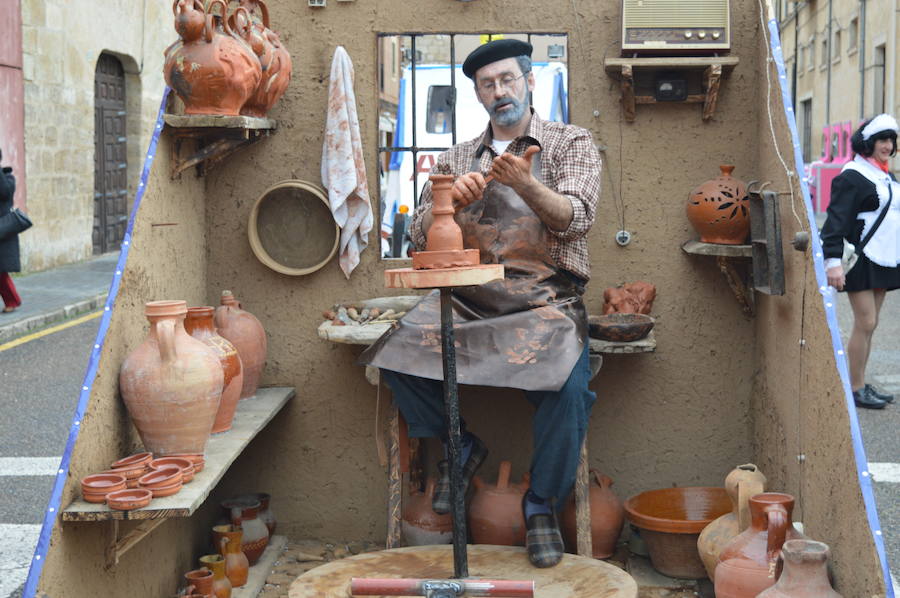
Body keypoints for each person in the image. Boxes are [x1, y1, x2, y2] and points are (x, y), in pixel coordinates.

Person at [361, 39, 601, 567]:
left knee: (570, 391)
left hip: (546, 302)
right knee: (394, 353)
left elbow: (577, 218)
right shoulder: (455, 157)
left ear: (529, 80)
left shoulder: (569, 142)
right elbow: (422, 238)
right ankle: (460, 448)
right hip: (469, 303)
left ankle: (540, 507)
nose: (500, 91)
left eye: (508, 79)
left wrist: (529, 185)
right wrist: (450, 201)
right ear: (477, 94)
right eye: (488, 84)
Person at [821, 114, 900, 409]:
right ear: (868, 142)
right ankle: (854, 388)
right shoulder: (852, 175)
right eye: (882, 139)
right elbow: (835, 222)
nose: (888, 145)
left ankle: (861, 383)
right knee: (865, 321)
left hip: (885, 257)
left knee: (872, 324)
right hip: (861, 258)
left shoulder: (885, 175)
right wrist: (833, 262)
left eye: (891, 140)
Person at [0, 149, 22, 314]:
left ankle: (12, 300)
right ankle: (12, 300)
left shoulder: (8, 178)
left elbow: (4, 193)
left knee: (1, 272)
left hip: (2, 231)